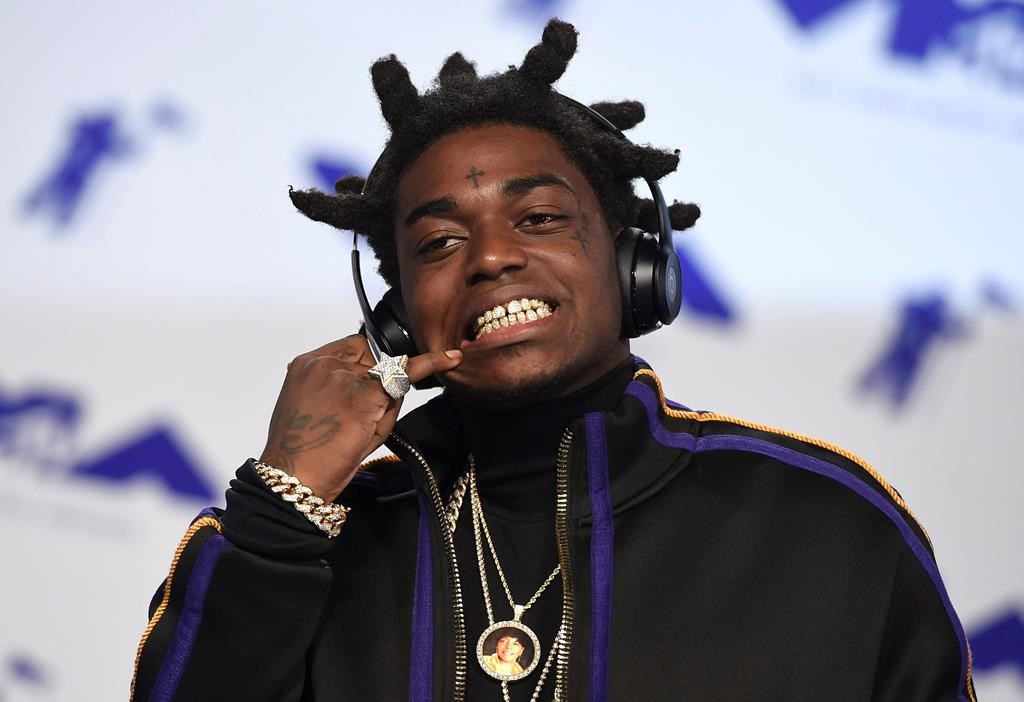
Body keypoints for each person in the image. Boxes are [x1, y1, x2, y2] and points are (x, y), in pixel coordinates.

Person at [129, 19, 976, 702]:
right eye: (439, 242)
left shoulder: (829, 526)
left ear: (633, 260)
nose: (491, 257)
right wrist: (283, 510)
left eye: (538, 219)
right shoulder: (302, 546)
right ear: (397, 315)